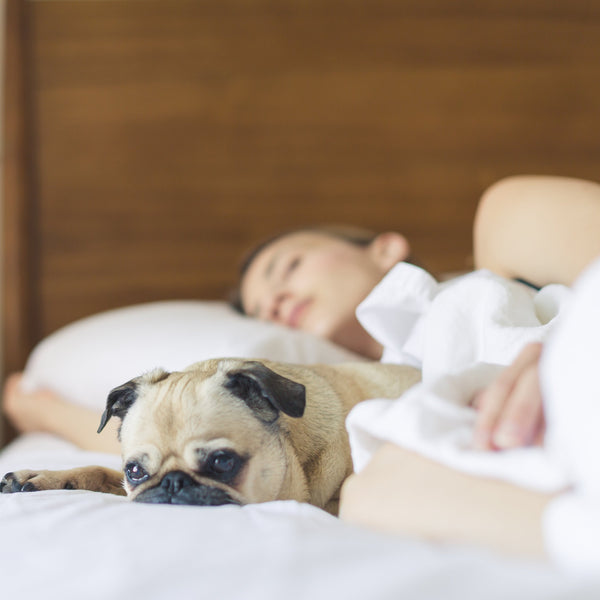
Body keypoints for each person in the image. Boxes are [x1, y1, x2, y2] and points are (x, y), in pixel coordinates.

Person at [2, 176, 600, 504]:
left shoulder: (504, 238)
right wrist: (42, 410)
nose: (276, 303)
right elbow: (168, 440)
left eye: (287, 268)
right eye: (264, 314)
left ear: (385, 247)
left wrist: (562, 355)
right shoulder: (349, 423)